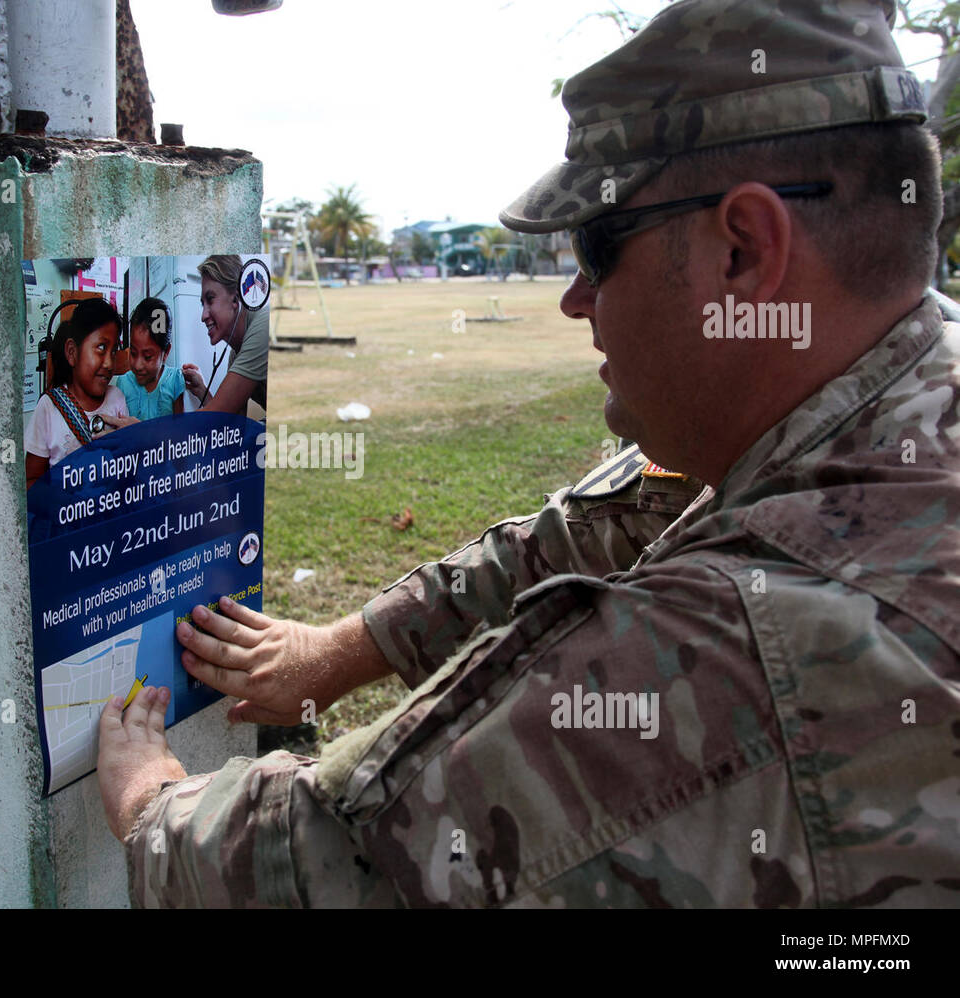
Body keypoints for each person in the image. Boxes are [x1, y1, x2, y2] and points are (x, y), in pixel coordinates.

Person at [97, 0, 960, 907]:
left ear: (744, 253)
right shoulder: (905, 390)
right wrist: (345, 649)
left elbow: (328, 868)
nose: (575, 299)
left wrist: (151, 797)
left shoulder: (754, 645)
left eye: (597, 245)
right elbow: (624, 516)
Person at [24, 298, 132, 488]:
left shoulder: (117, 399)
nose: (108, 363)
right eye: (101, 348)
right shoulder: (49, 407)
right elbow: (31, 479)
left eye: (113, 351)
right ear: (72, 352)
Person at [181, 254, 269, 415]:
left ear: (236, 299)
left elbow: (217, 415)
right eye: (203, 304)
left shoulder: (264, 325)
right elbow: (231, 423)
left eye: (210, 299)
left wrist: (146, 430)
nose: (203, 316)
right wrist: (202, 390)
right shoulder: (235, 355)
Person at [113, 297, 186, 420]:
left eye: (147, 357)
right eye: (134, 353)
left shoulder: (175, 380)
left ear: (166, 351)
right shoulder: (123, 384)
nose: (137, 365)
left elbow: (180, 429)